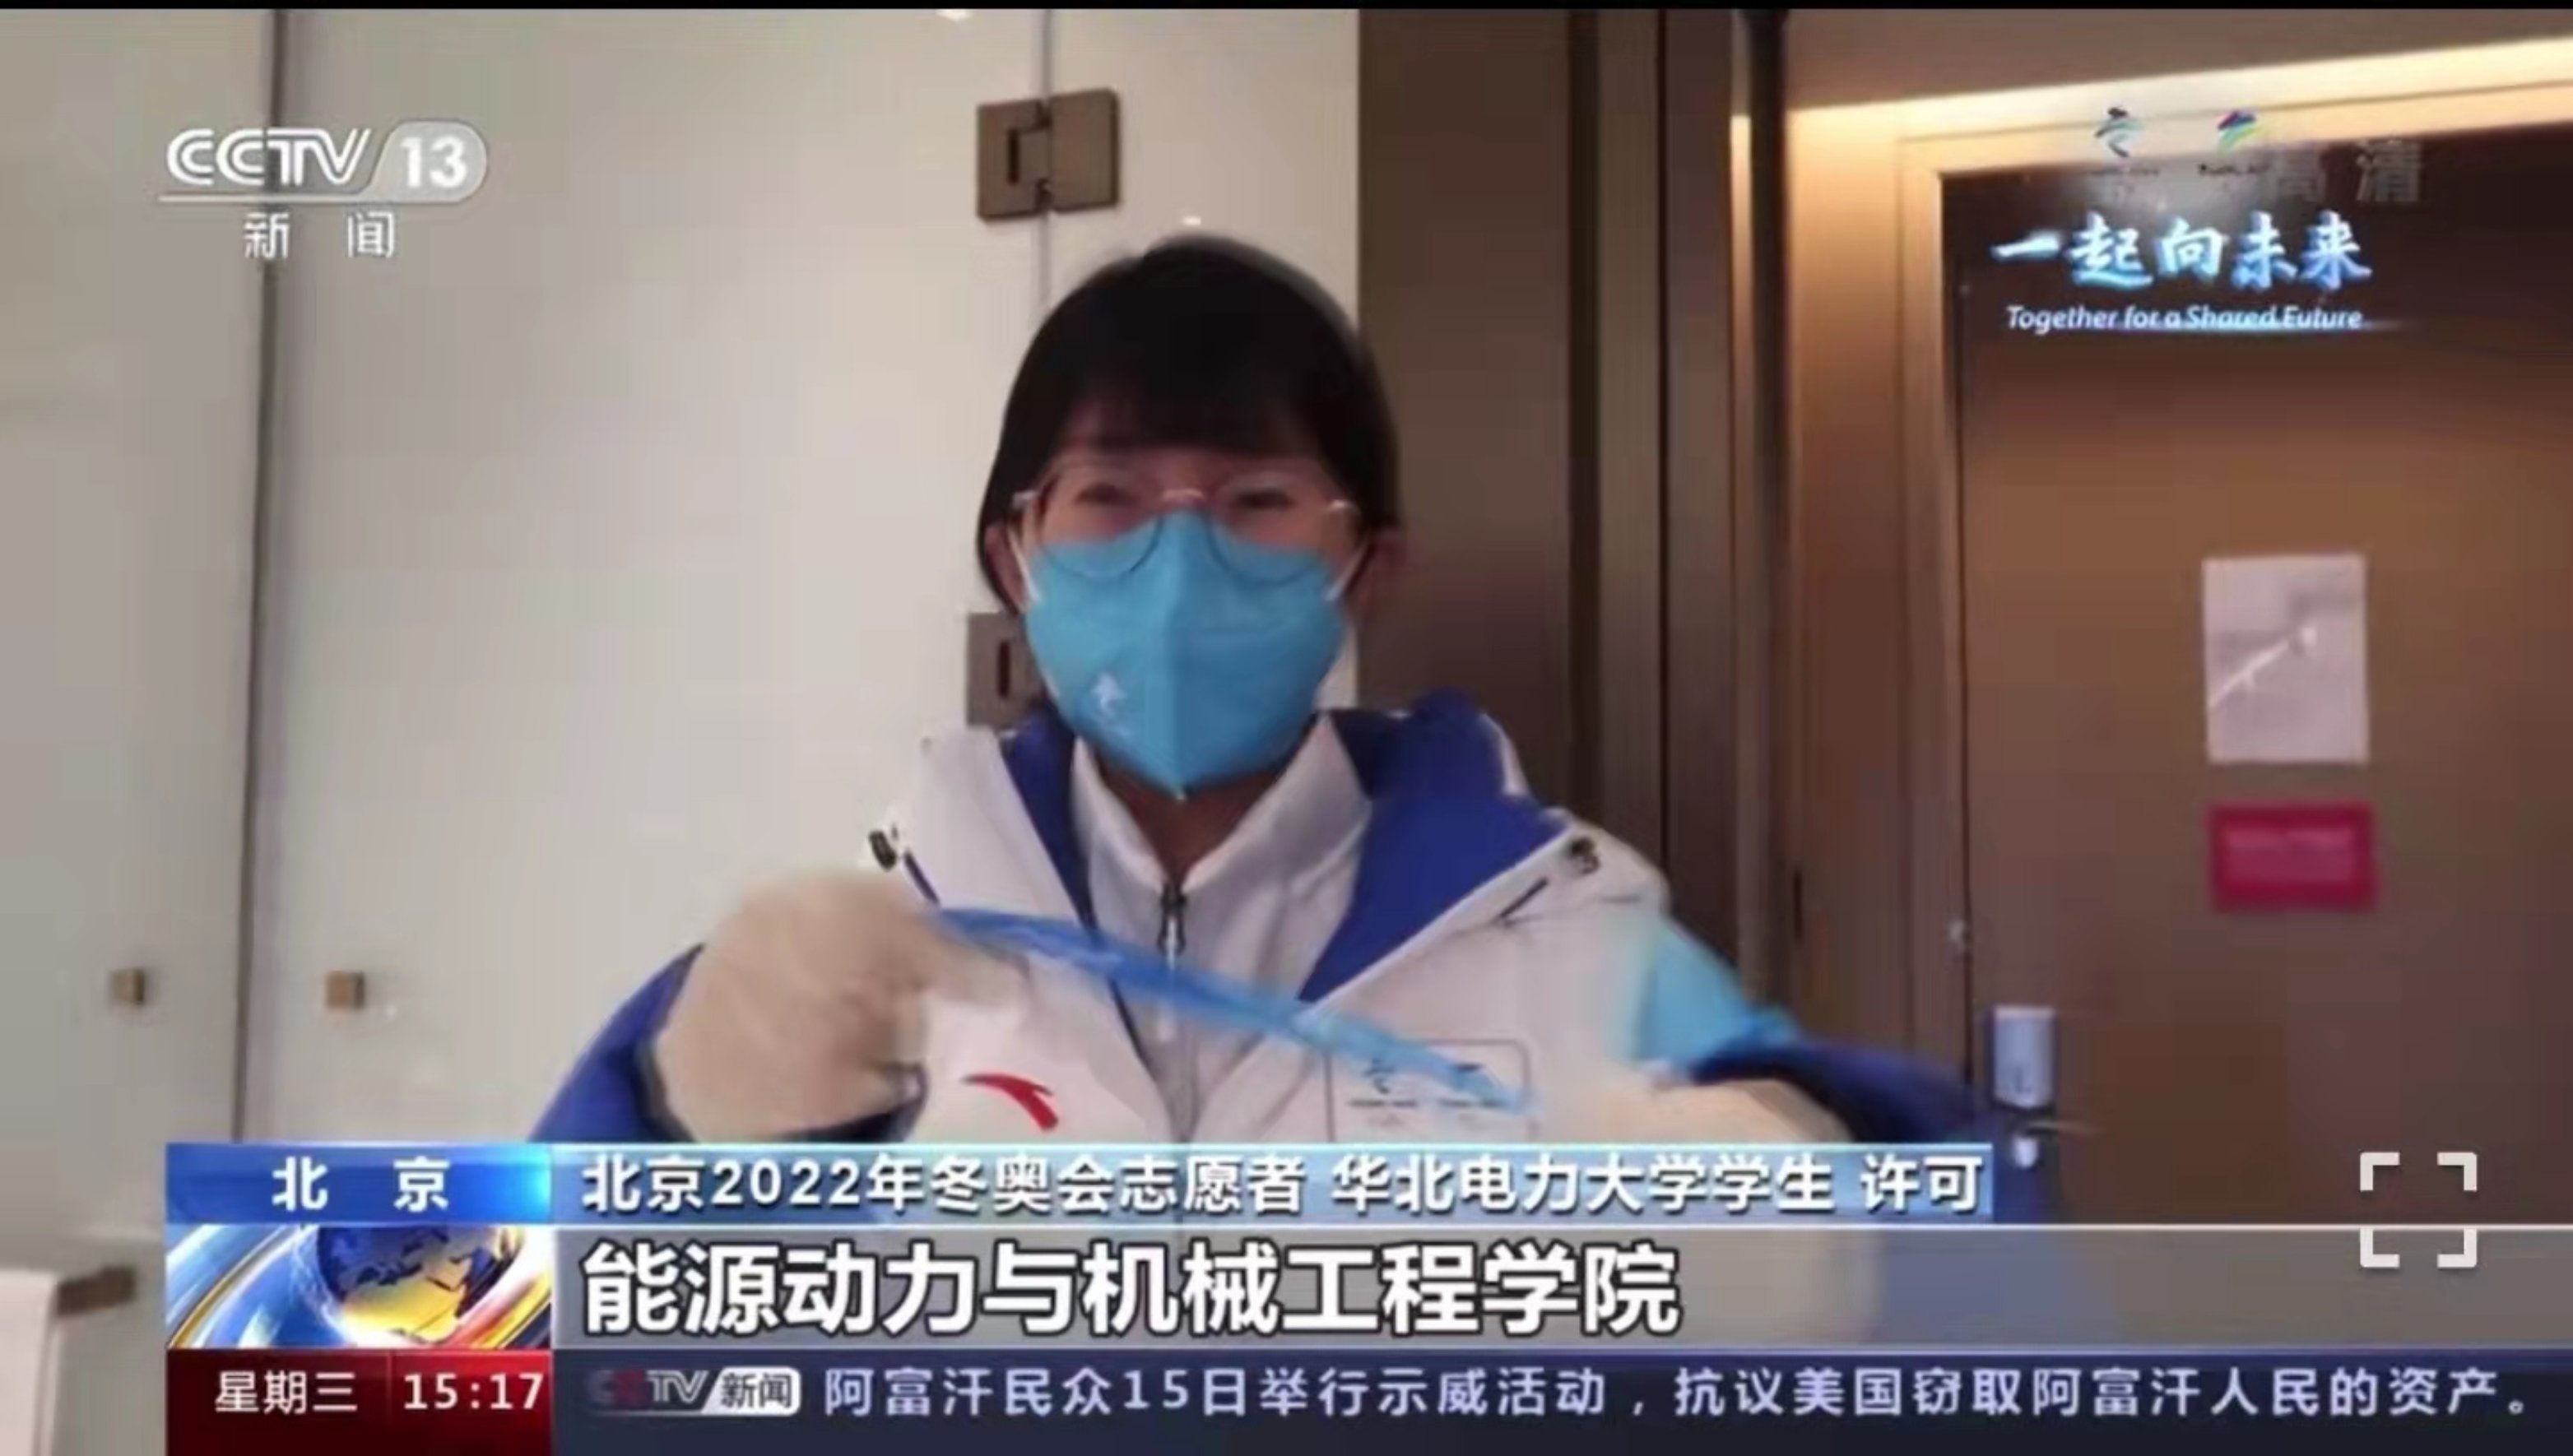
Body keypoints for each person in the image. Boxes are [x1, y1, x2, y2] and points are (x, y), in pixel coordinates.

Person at [535, 237, 1999, 1177]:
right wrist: (673, 1119)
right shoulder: (858, 958)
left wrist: (1819, 1183)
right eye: (1109, 496)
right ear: (1015, 557)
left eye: (1255, 500)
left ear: (1366, 565)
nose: (1181, 558)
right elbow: (484, 1340)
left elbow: (1969, 1262)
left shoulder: (1574, 937)